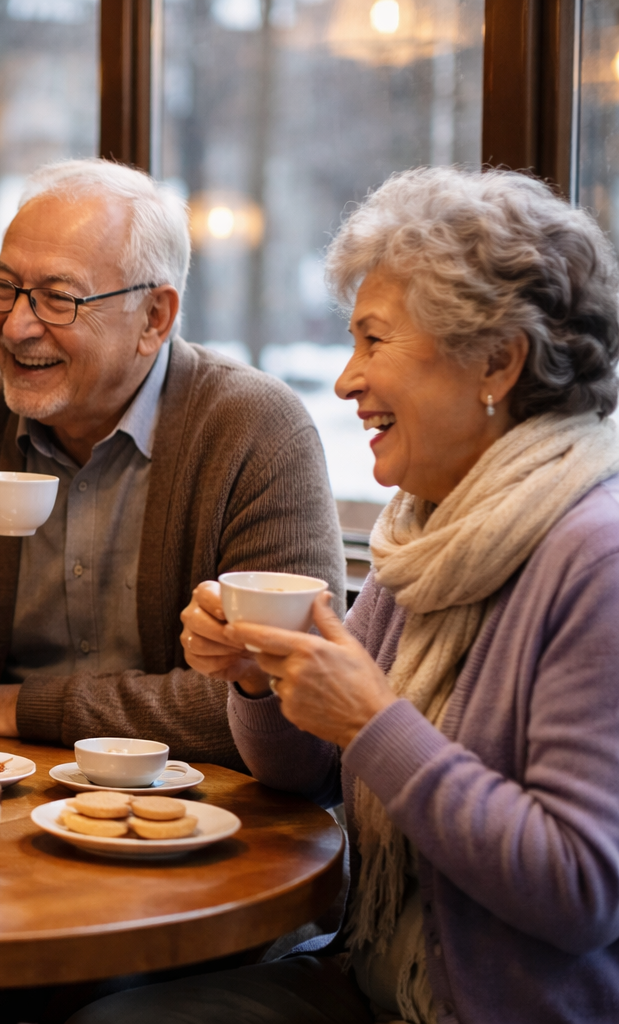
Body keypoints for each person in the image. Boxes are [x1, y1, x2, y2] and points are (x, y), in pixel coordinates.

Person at [75, 167, 619, 1024]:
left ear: (498, 361)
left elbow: (579, 893)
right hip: (369, 975)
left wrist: (372, 721)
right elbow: (307, 774)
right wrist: (259, 678)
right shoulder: (430, 532)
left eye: (373, 341)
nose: (345, 381)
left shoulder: (595, 559)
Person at [0, 158, 343, 765]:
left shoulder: (255, 430)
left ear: (154, 318)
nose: (15, 325)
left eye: (58, 298)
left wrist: (34, 708)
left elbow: (297, 707)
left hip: (201, 822)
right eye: (4, 287)